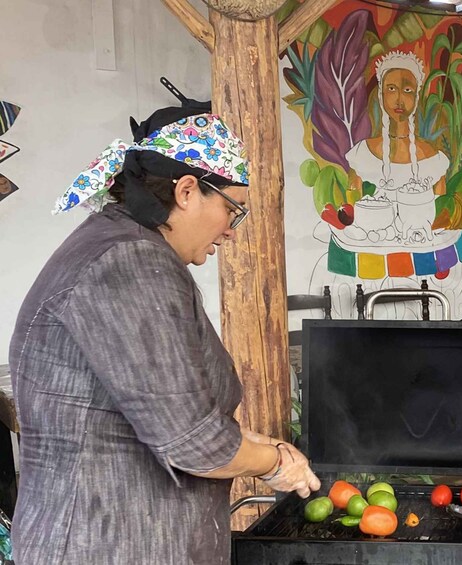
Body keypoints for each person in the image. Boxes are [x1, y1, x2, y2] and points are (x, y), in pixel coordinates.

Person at [9, 106, 320, 564]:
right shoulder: (129, 264)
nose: (232, 232)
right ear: (188, 190)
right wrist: (275, 464)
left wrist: (264, 446)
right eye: (233, 209)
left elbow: (173, 412)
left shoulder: (123, 247)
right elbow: (194, 444)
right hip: (108, 544)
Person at [345, 51, 450, 243]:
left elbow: (440, 204)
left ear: (417, 97)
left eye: (408, 90)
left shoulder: (431, 156)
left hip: (421, 246)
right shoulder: (363, 153)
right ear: (381, 94)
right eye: (392, 89)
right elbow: (353, 197)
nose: (399, 99)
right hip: (374, 243)